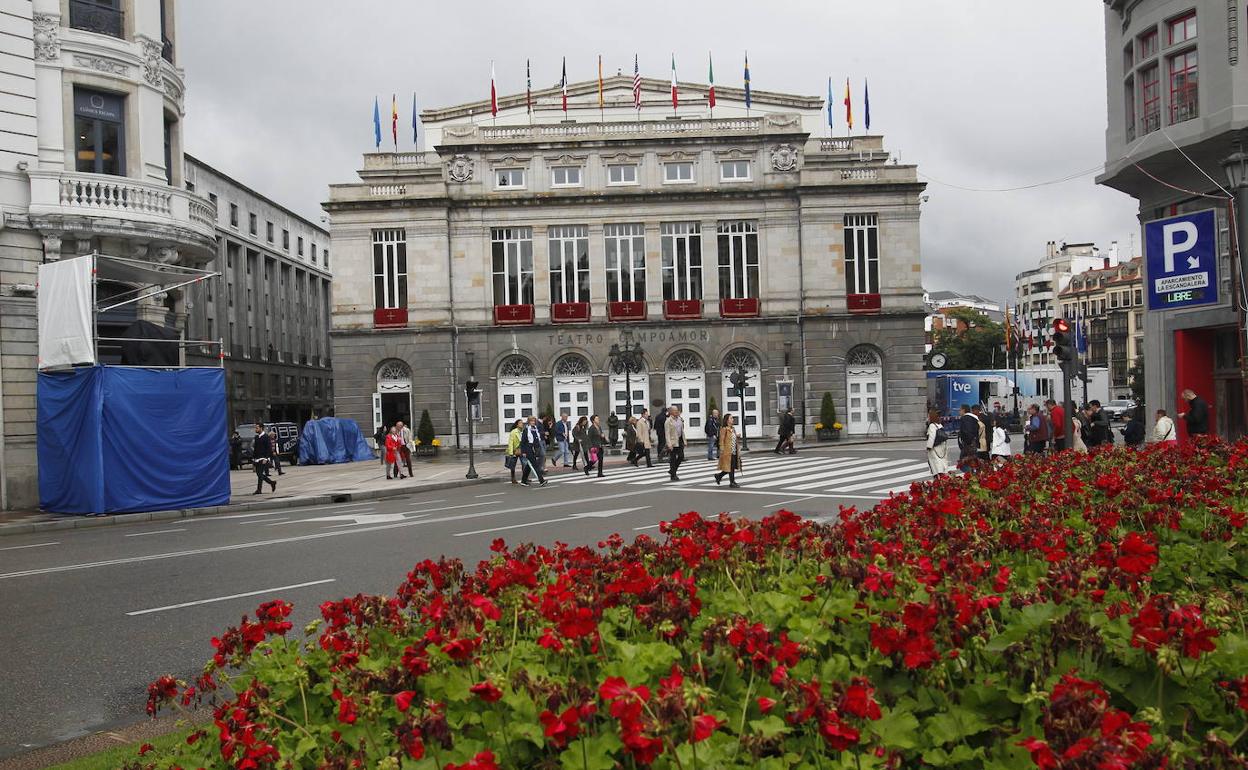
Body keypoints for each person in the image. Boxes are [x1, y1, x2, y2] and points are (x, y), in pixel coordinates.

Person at [714, 413, 742, 487]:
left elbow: (732, 438)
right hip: (727, 452)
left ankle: (719, 476)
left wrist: (737, 436)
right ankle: (732, 482)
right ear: (727, 420)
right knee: (730, 467)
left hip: (733, 451)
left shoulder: (732, 429)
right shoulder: (724, 429)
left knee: (730, 467)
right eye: (731, 418)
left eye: (732, 418)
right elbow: (721, 440)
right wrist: (722, 450)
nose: (732, 419)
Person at [520, 416, 548, 486]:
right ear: (528, 422)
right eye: (531, 421)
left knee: (529, 466)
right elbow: (523, 442)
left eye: (534, 421)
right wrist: (523, 452)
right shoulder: (526, 430)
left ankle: (523, 480)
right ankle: (541, 480)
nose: (533, 422)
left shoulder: (535, 429)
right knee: (535, 465)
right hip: (528, 448)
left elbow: (537, 440)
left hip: (534, 449)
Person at [251, 423, 277, 494]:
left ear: (261, 428)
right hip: (257, 458)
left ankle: (259, 490)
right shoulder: (256, 437)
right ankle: (272, 482)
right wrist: (253, 458)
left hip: (263, 458)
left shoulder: (266, 437)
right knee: (259, 474)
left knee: (260, 474)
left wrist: (266, 458)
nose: (255, 429)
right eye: (255, 428)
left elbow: (269, 448)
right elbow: (255, 449)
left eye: (257, 428)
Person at [665, 406, 686, 482]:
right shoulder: (668, 421)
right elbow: (667, 434)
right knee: (673, 458)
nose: (677, 412)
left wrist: (684, 440)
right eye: (675, 411)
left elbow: (682, 430)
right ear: (671, 412)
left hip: (679, 440)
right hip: (673, 441)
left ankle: (672, 470)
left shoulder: (680, 419)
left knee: (681, 456)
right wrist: (669, 444)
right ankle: (673, 475)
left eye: (677, 410)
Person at [925, 410, 949, 475]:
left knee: (936, 465)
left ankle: (938, 480)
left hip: (935, 449)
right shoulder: (940, 425)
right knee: (942, 462)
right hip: (942, 448)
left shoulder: (932, 426)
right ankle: (943, 476)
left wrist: (928, 447)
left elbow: (931, 437)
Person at [956, 405, 980, 471]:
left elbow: (967, 431)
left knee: (964, 463)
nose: (959, 412)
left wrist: (967, 442)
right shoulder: (973, 418)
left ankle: (971, 476)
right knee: (971, 461)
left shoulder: (965, 418)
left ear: (963, 410)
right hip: (973, 443)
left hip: (968, 445)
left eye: (960, 410)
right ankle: (973, 475)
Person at [505, 419, 523, 484]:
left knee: (524, 463)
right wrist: (511, 453)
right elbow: (510, 442)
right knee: (513, 465)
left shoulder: (522, 431)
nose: (522, 424)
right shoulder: (513, 432)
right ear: (517, 425)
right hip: (515, 450)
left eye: (522, 423)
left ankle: (525, 477)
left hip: (521, 450)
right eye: (520, 423)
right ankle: (513, 478)